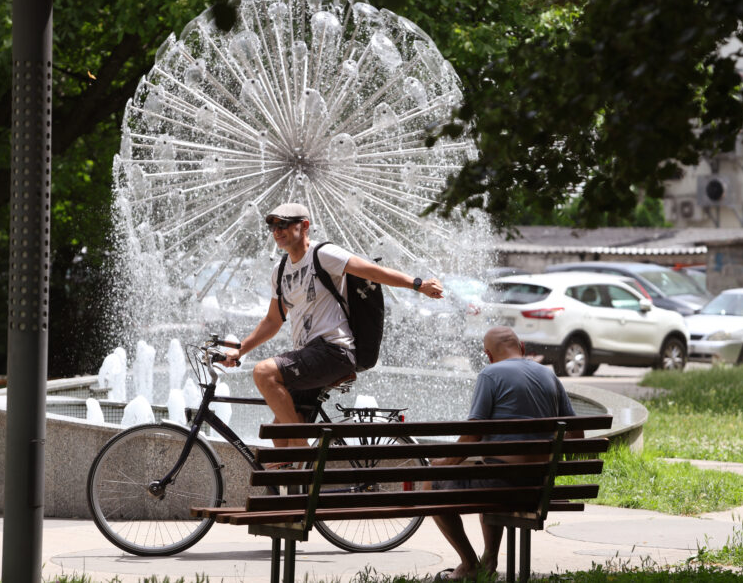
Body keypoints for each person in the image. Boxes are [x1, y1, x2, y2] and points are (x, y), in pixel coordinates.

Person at [223, 202, 443, 449]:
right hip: (308, 356)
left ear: (304, 226)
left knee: (264, 372)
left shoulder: (323, 255)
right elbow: (273, 321)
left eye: (283, 224)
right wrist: (240, 350)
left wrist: (417, 284)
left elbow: (373, 272)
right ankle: (296, 481)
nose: (277, 231)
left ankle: (301, 446)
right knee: (278, 435)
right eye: (273, 226)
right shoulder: (280, 270)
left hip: (333, 351)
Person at [427, 325, 582, 580]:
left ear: (488, 355)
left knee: (432, 487)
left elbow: (474, 433)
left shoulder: (490, 374)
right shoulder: (549, 376)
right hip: (538, 488)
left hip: (502, 485)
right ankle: (489, 561)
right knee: (488, 471)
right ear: (522, 348)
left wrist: (445, 462)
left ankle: (469, 564)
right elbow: (576, 436)